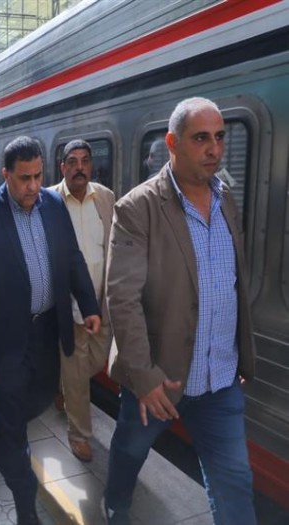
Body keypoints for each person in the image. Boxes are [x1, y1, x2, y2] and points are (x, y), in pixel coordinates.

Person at [103, 97, 256, 525]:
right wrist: (144, 376)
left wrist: (238, 351)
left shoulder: (226, 201)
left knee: (234, 482)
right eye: (201, 138)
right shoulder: (137, 208)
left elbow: (232, 283)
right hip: (160, 378)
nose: (215, 149)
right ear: (172, 143)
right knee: (130, 450)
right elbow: (122, 298)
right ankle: (115, 503)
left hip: (220, 378)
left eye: (220, 137)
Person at [0, 136, 100, 525]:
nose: (32, 186)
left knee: (36, 403)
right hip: (6, 342)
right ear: (6, 175)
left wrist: (89, 305)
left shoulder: (54, 205)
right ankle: (25, 504)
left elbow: (72, 257)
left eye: (38, 177)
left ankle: (16, 446)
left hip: (46, 336)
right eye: (24, 178)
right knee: (8, 427)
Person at [51, 139, 115, 462]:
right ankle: (79, 434)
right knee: (76, 370)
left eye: (85, 161)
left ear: (91, 165)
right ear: (63, 167)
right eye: (73, 162)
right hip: (69, 304)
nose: (79, 167)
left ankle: (63, 385)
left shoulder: (105, 197)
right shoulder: (50, 200)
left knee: (97, 360)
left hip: (101, 302)